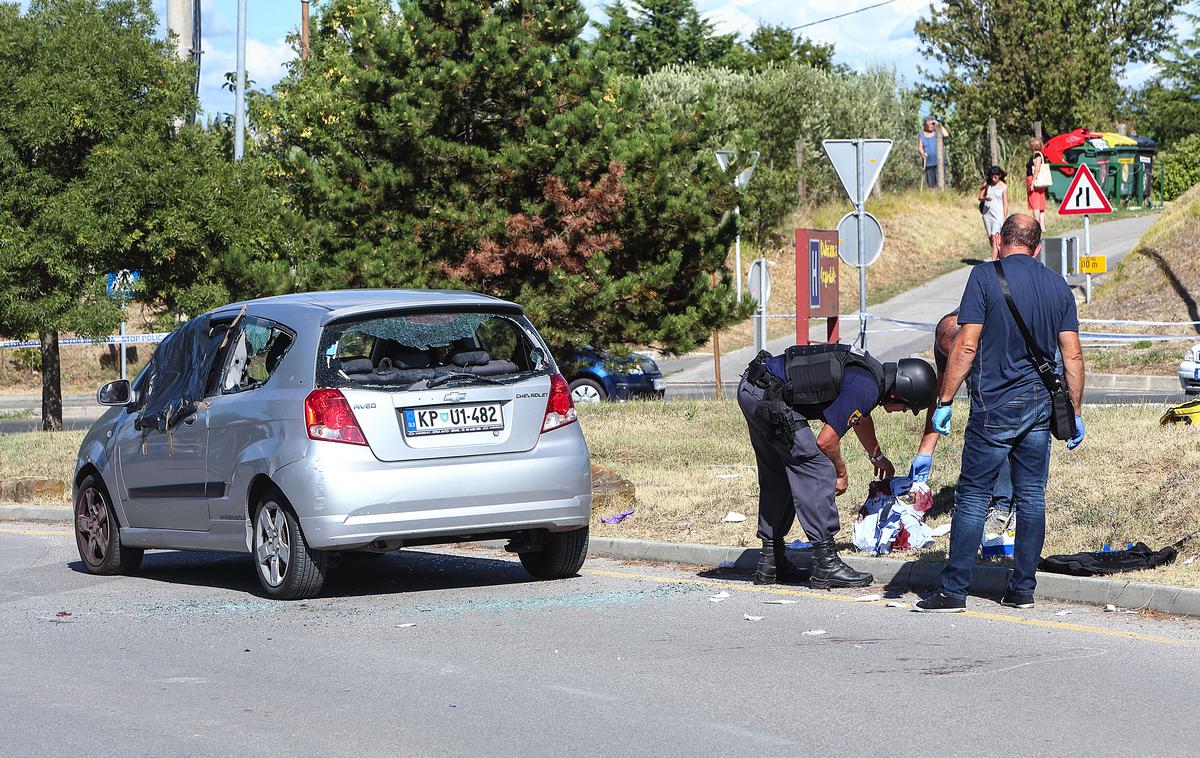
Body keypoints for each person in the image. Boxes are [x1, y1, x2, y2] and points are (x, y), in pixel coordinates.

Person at [915, 214, 1086, 613]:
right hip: (1041, 407)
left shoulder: (984, 277)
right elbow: (1072, 354)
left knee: (973, 495)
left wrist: (944, 401)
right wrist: (1075, 410)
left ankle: (955, 590)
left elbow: (966, 344)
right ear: (1038, 247)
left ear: (999, 241)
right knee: (1031, 497)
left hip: (994, 405)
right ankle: (1023, 588)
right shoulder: (1058, 286)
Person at [738, 344, 937, 588]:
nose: (904, 412)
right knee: (817, 468)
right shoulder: (866, 387)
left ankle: (770, 562)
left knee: (779, 474)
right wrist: (840, 472)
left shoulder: (870, 375)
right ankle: (826, 564)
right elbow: (826, 440)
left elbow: (860, 417)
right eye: (908, 406)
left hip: (755, 387)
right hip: (769, 396)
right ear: (899, 393)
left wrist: (876, 456)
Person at [909, 311, 1013, 534]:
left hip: (1008, 377)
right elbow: (940, 394)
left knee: (998, 430)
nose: (951, 361)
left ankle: (1004, 505)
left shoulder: (994, 335)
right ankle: (975, 503)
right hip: (981, 371)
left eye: (957, 355)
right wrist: (925, 452)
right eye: (948, 355)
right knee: (979, 433)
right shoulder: (944, 344)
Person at [979, 166, 1008, 260]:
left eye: (995, 177)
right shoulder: (988, 184)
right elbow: (980, 197)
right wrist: (985, 198)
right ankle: (1000, 255)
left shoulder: (1003, 187)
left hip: (998, 215)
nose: (993, 179)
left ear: (999, 175)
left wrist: (1004, 217)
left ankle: (994, 262)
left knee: (994, 236)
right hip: (987, 214)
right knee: (990, 238)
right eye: (992, 176)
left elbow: (1005, 203)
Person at [918, 117, 948, 189]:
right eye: (930, 124)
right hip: (928, 163)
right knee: (931, 185)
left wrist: (938, 124)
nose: (932, 126)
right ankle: (932, 198)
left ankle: (941, 197)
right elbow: (920, 147)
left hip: (940, 163)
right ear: (925, 125)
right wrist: (922, 153)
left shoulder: (937, 132)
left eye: (933, 124)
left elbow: (946, 134)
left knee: (940, 184)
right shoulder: (921, 135)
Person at [1026, 139, 1048, 230]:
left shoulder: (1037, 155)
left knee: (1035, 204)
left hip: (1035, 180)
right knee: (1041, 204)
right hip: (1039, 182)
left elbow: (1037, 168)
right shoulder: (1040, 154)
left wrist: (1033, 182)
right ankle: (1042, 225)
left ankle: (1037, 224)